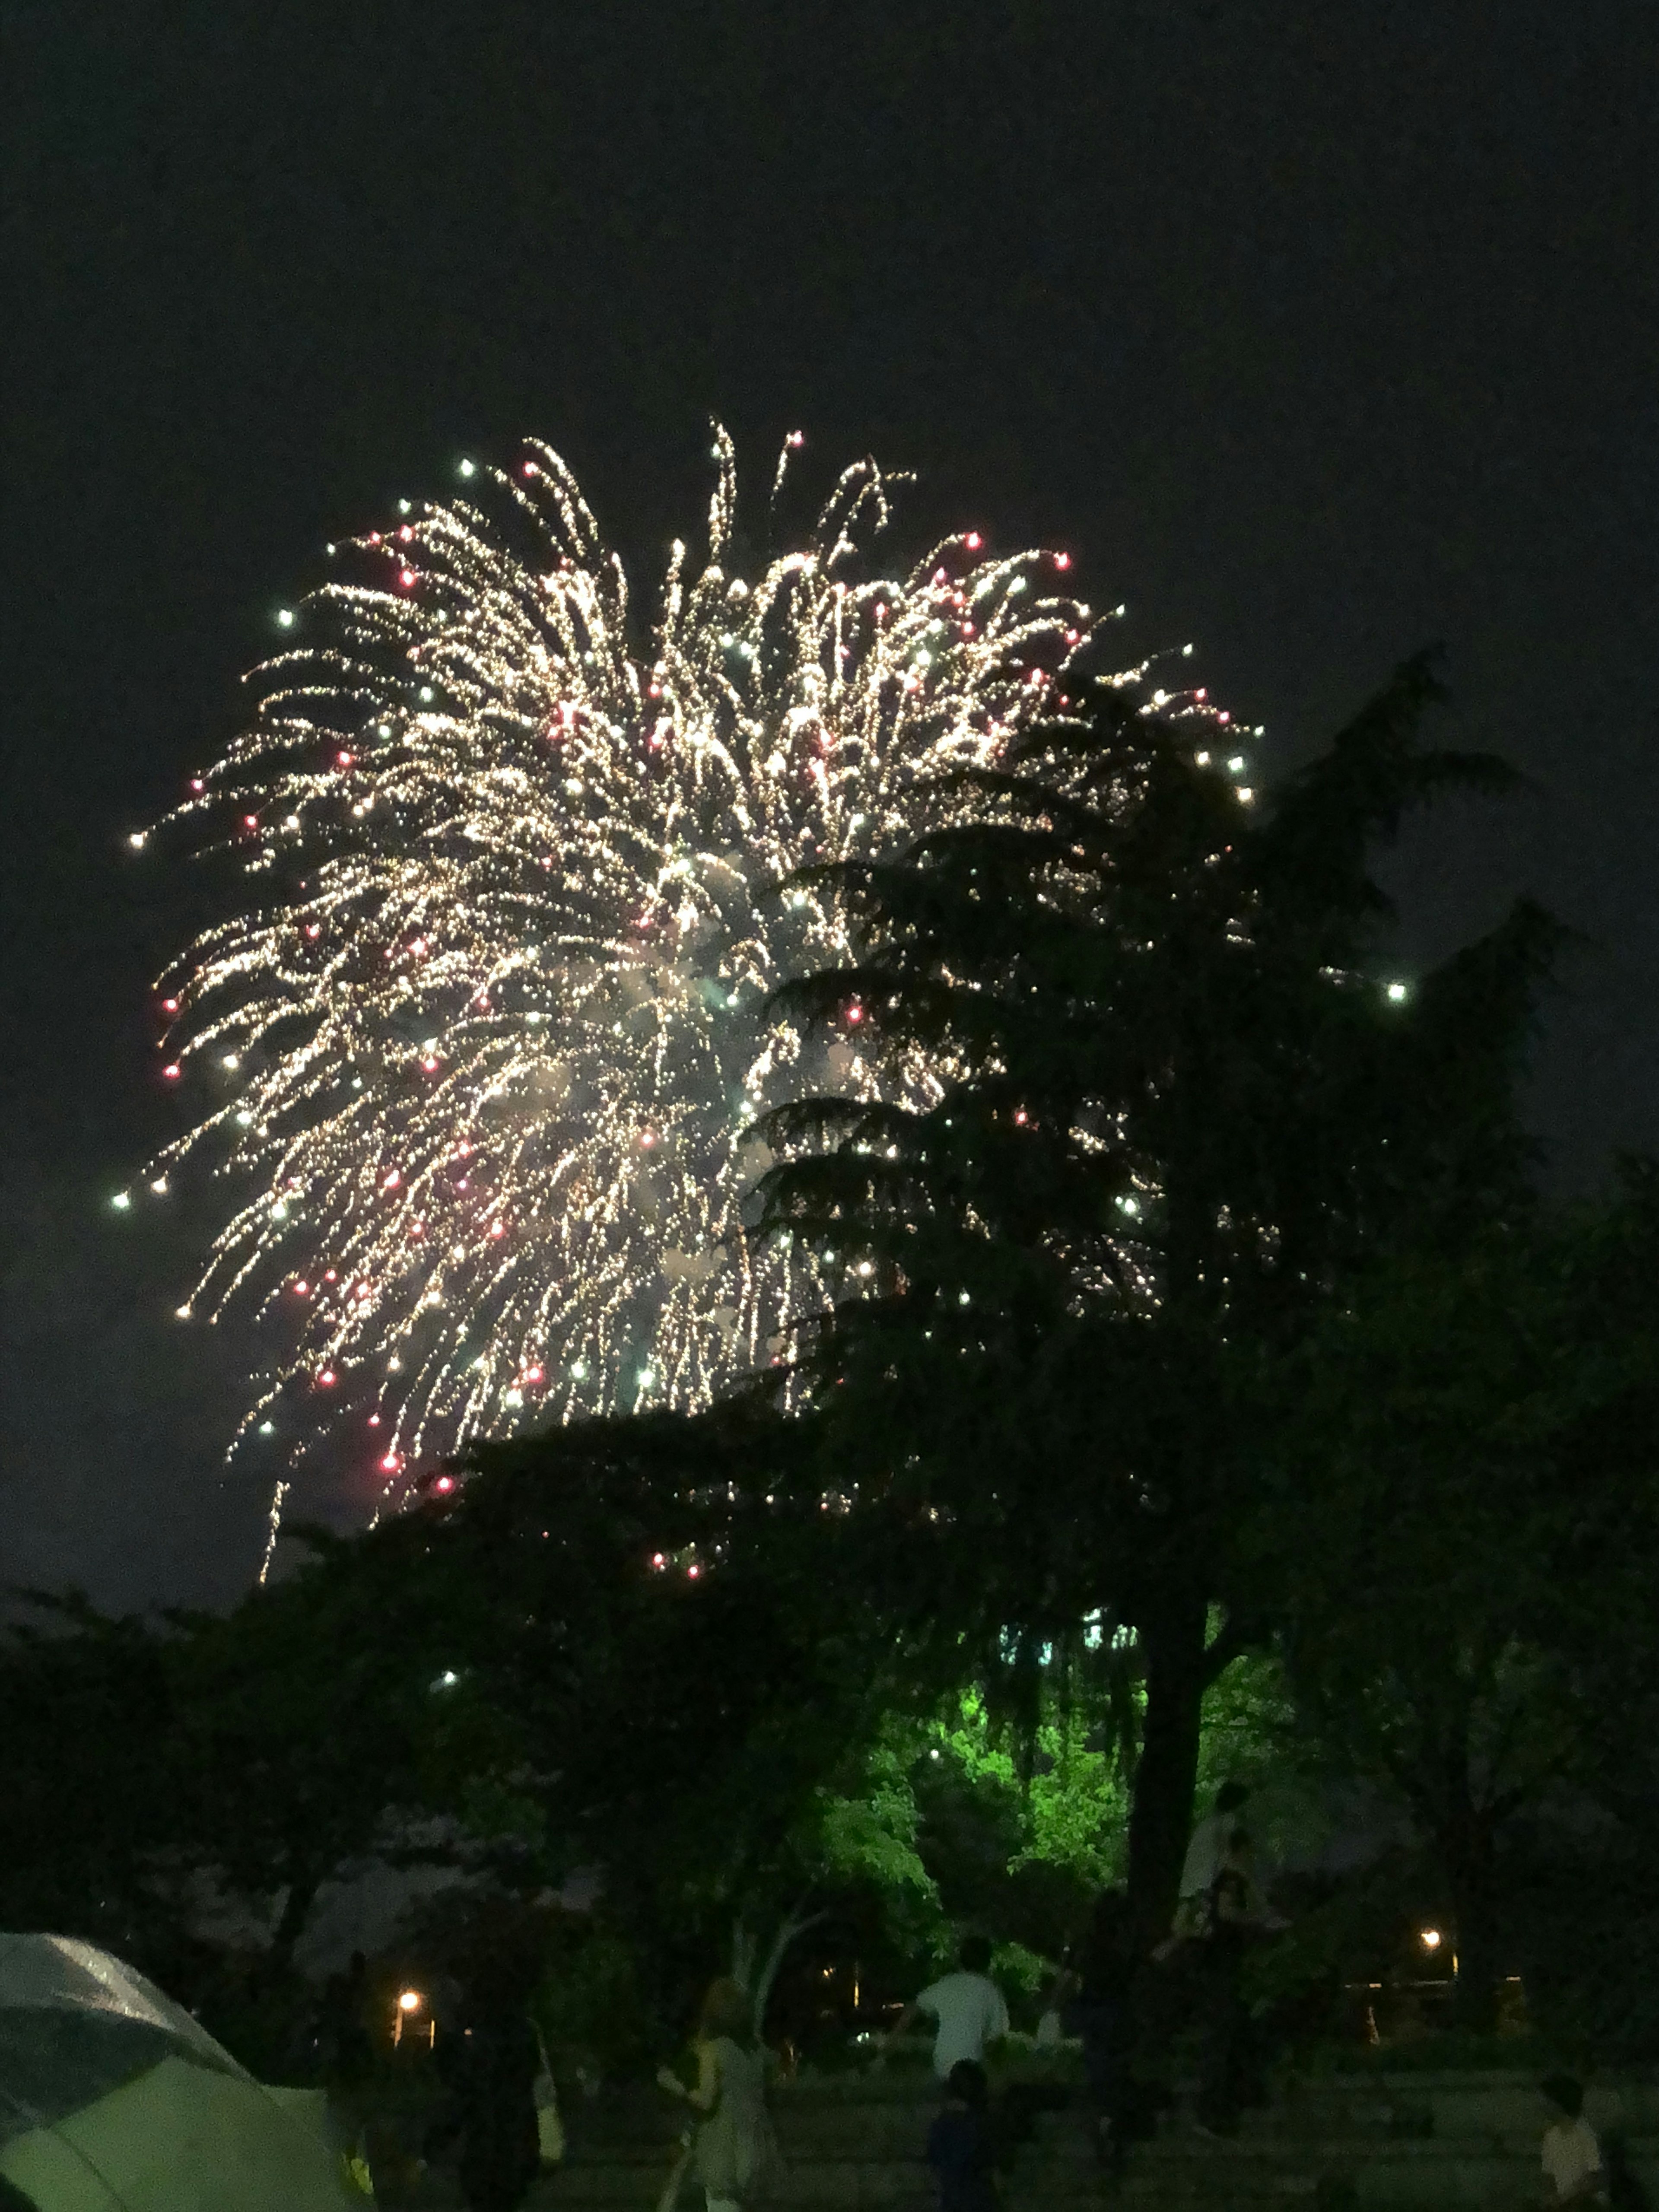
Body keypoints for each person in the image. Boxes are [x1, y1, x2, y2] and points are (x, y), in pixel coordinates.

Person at [656, 1977, 782, 2212]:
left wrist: (676, 2086)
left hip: (723, 2150)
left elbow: (706, 2100)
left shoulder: (713, 2051)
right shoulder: (757, 2054)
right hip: (757, 2145)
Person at [453, 1960, 542, 2212]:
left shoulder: (480, 2040)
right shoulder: (524, 2032)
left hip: (486, 2144)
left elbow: (466, 2091)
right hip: (515, 2137)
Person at [1068, 1889, 1135, 2163]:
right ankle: (1110, 2126)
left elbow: (1072, 1976)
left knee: (1099, 2070)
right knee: (1114, 2070)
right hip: (1115, 2011)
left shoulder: (1087, 1943)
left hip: (1092, 2010)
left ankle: (1103, 2126)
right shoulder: (1123, 1944)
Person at [880, 1937, 1009, 2079]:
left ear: (960, 1960)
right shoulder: (991, 1991)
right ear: (988, 1962)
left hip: (944, 2064)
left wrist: (890, 2044)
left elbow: (913, 2009)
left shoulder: (945, 1985)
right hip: (973, 2068)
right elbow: (998, 2037)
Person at [926, 2059, 998, 2212]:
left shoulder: (941, 2125)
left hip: (951, 2199)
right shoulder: (980, 2125)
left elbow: (936, 2164)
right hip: (977, 2200)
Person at [1540, 2076, 1608, 2204]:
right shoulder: (1551, 2137)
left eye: (1547, 2100)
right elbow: (1548, 2175)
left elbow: (1594, 2176)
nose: (1543, 2105)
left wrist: (1567, 2197)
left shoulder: (1587, 2135)